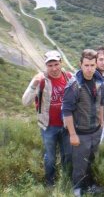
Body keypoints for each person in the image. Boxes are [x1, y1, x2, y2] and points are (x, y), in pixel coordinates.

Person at [22, 50, 72, 187]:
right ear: (46, 66)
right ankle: (50, 184)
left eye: (56, 64)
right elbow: (25, 101)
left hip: (66, 125)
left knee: (67, 155)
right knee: (50, 157)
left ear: (61, 63)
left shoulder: (68, 77)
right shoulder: (41, 79)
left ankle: (65, 181)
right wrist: (34, 84)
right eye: (50, 65)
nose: (54, 68)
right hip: (48, 126)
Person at [62, 49, 104, 196]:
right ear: (80, 64)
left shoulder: (100, 80)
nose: (89, 69)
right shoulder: (74, 85)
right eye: (86, 65)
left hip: (95, 130)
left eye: (92, 65)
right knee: (80, 164)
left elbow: (101, 103)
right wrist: (72, 134)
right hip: (80, 133)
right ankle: (77, 189)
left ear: (96, 65)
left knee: (92, 161)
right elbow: (66, 111)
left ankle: (90, 186)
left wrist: (101, 122)